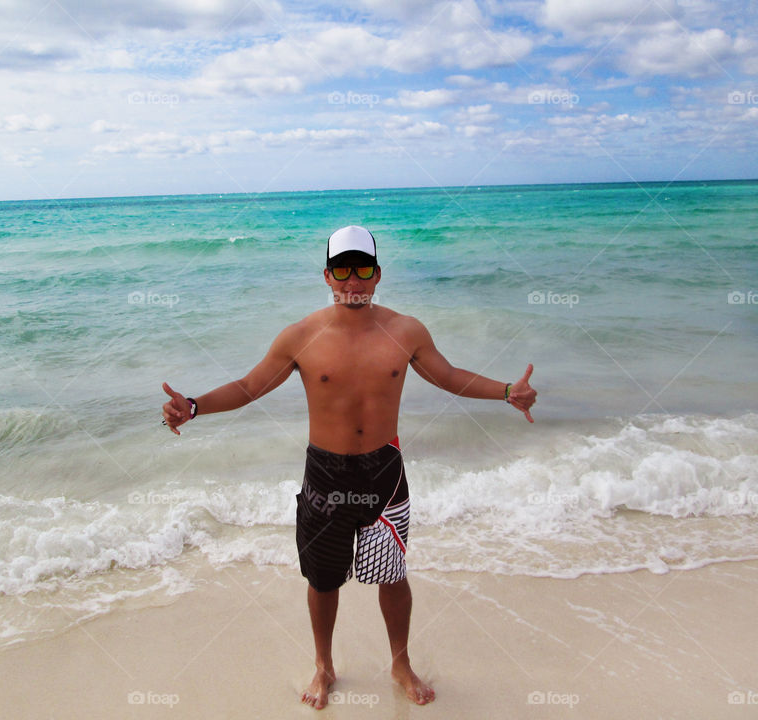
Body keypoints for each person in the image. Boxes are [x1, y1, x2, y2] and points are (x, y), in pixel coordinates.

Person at [161, 225, 537, 709]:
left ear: (378, 275)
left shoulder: (406, 331)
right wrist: (194, 407)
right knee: (323, 581)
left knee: (392, 575)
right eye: (342, 269)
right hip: (324, 477)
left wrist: (506, 392)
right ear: (327, 276)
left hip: (385, 475)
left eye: (362, 269)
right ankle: (324, 665)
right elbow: (250, 386)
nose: (353, 280)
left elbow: (448, 376)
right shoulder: (300, 336)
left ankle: (400, 663)